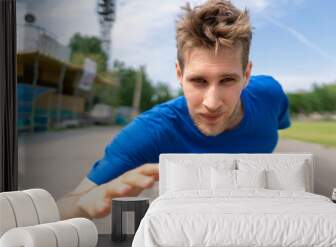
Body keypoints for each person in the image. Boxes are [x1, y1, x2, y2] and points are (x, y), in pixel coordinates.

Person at [57, 0, 291, 220]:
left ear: (247, 75)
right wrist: (83, 205)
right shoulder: (151, 131)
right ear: (179, 75)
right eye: (198, 81)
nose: (212, 102)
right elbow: (66, 205)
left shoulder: (271, 96)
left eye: (227, 80)